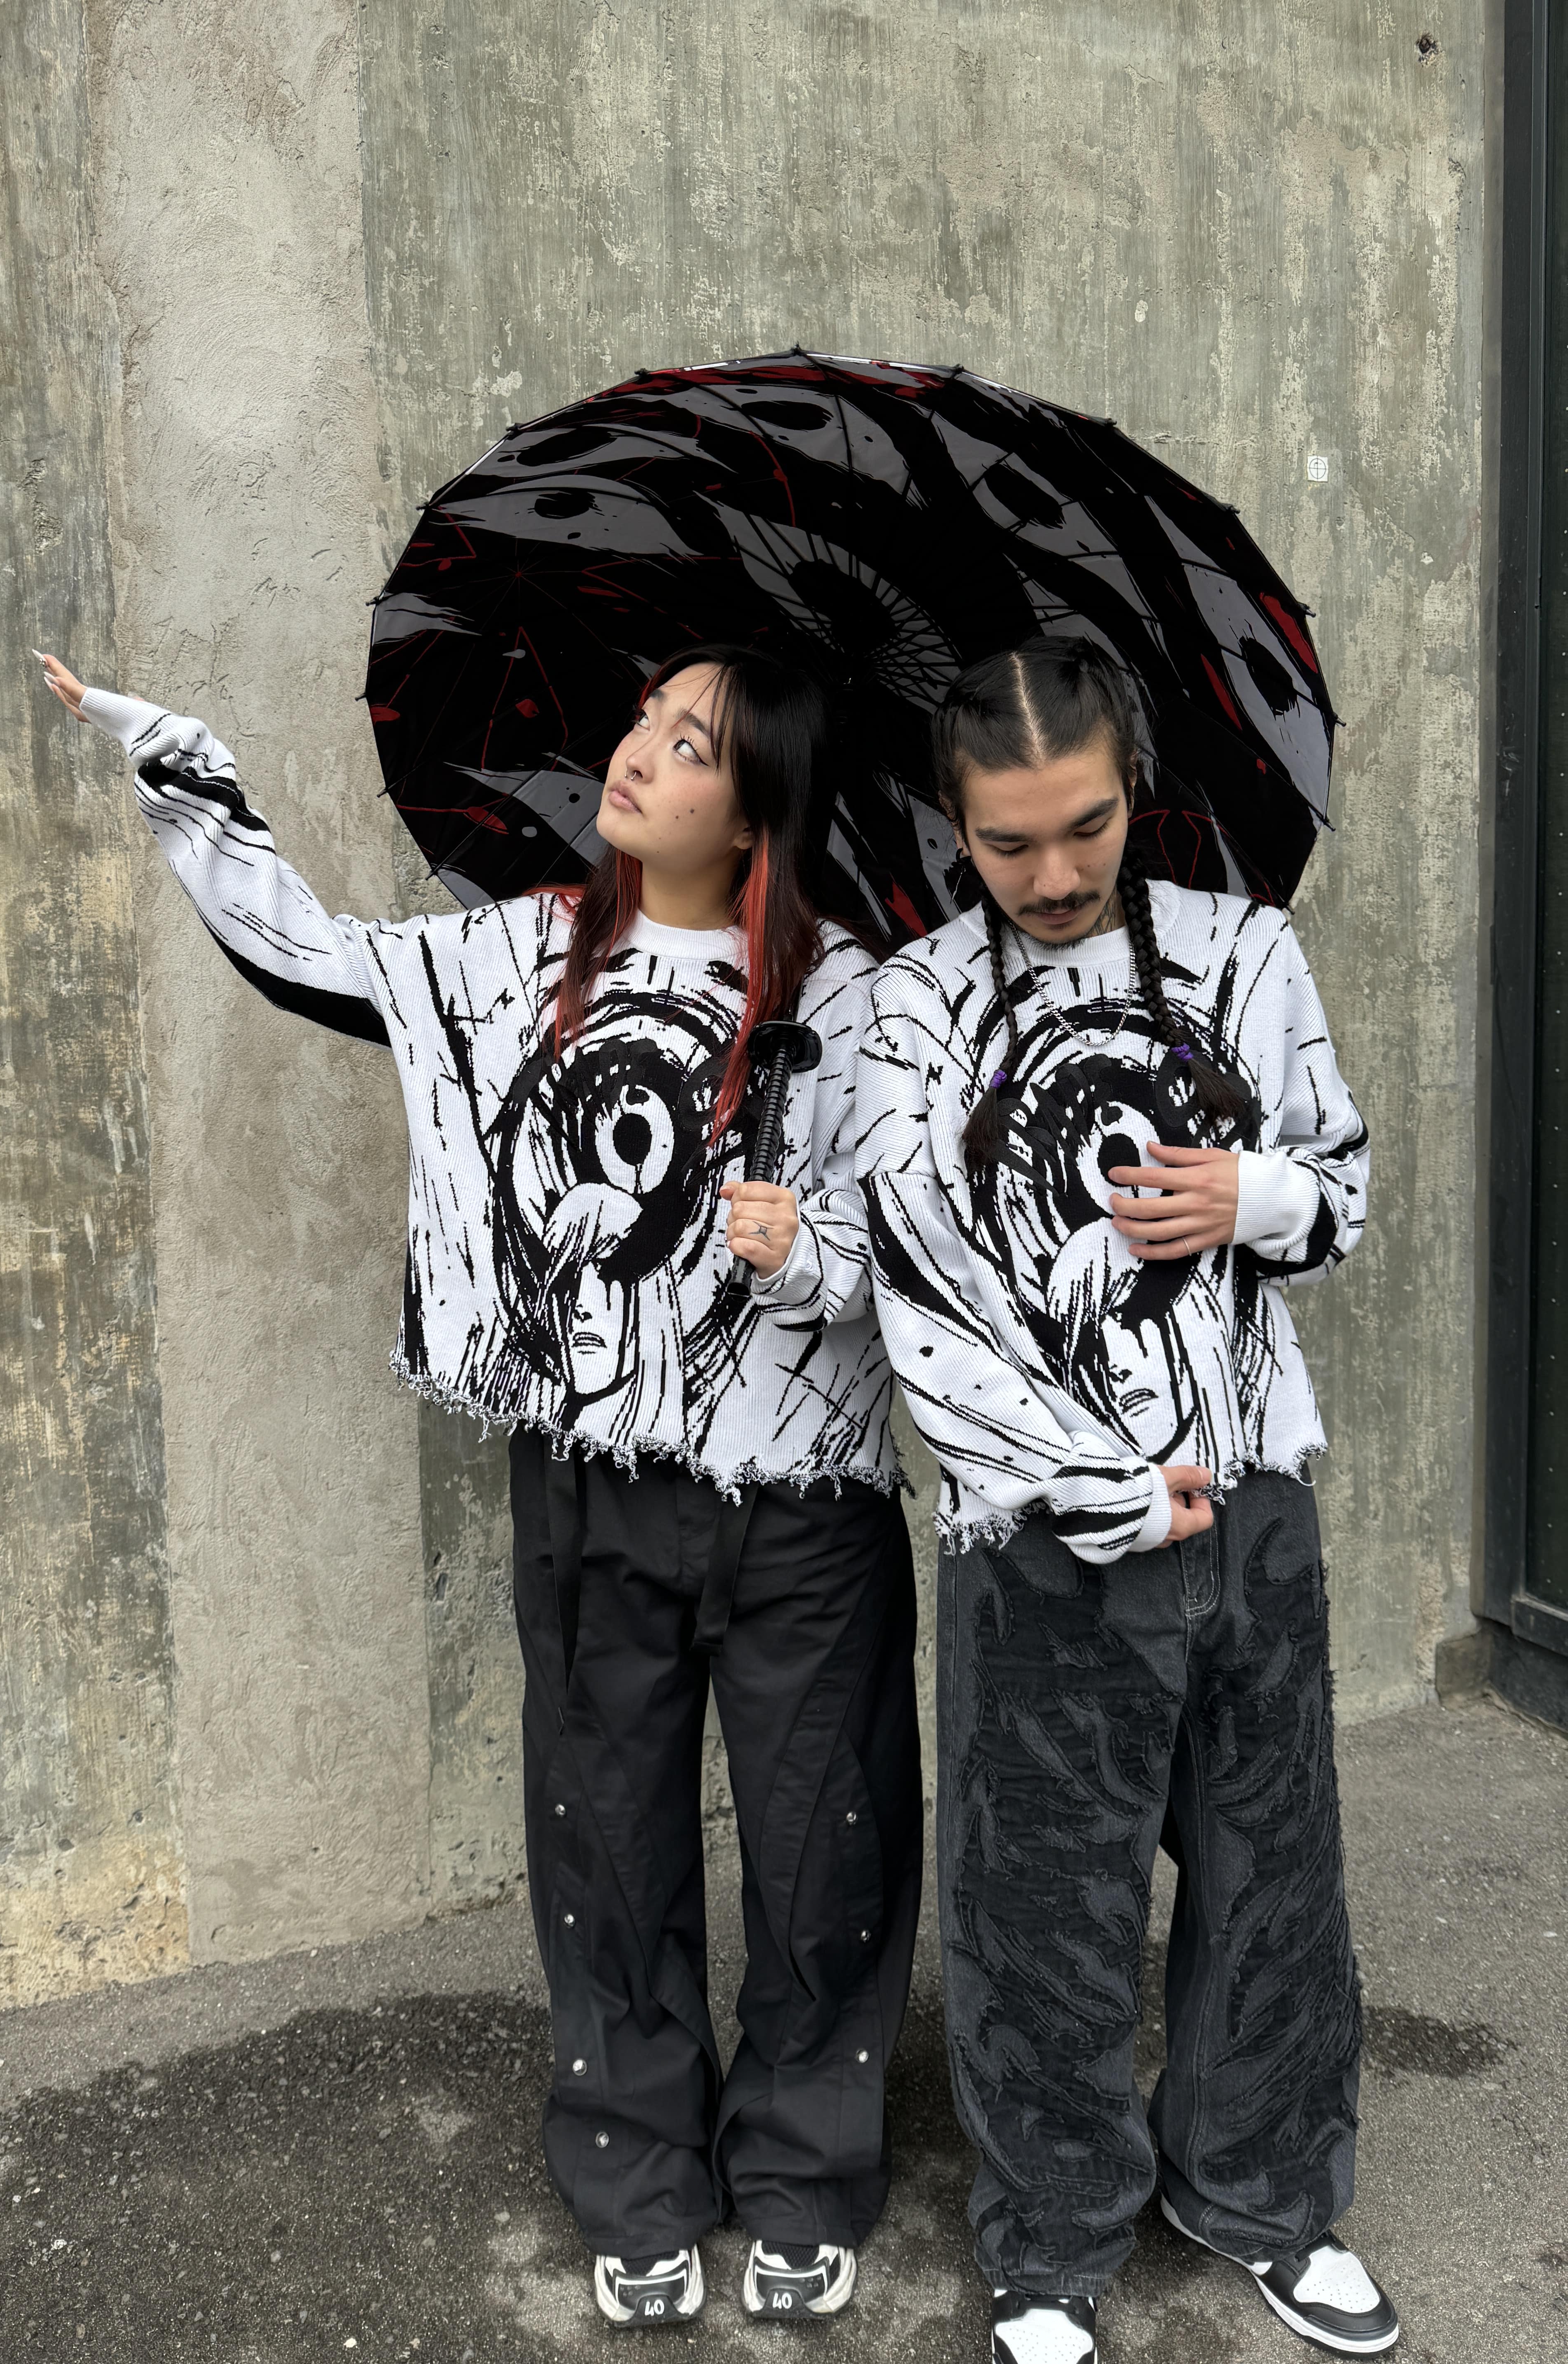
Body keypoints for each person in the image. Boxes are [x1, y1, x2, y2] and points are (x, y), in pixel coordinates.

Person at [35, 643, 921, 2330]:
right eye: (645, 716)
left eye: (691, 743)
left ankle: (806, 2169)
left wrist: (809, 1255)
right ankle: (639, 2170)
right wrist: (176, 759)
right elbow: (310, 956)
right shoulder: (523, 955)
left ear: (762, 811)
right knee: (610, 1840)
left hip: (809, 1504)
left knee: (829, 1845)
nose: (638, 752)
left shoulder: (864, 1003)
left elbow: (932, 1262)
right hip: (593, 1489)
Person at [854, 637, 1397, 2364]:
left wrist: (1254, 1196)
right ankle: (1051, 2247)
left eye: (1084, 826)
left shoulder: (1246, 955)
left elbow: (1345, 1192)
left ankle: (1265, 2193)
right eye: (1009, 842)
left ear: (1132, 785)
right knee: (1041, 1905)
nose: (1054, 874)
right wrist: (1086, 1480)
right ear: (956, 826)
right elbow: (919, 1298)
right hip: (1043, 1543)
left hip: (1252, 1502)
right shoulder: (914, 1006)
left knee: (1273, 1871)